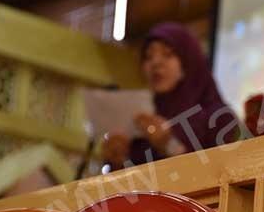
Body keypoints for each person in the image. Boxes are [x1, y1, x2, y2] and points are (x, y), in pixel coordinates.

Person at [102, 22, 238, 170]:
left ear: (189, 62)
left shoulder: (218, 118)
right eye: (148, 57)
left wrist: (169, 145)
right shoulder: (142, 123)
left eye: (168, 54)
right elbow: (133, 180)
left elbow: (219, 173)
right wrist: (117, 160)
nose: (156, 63)